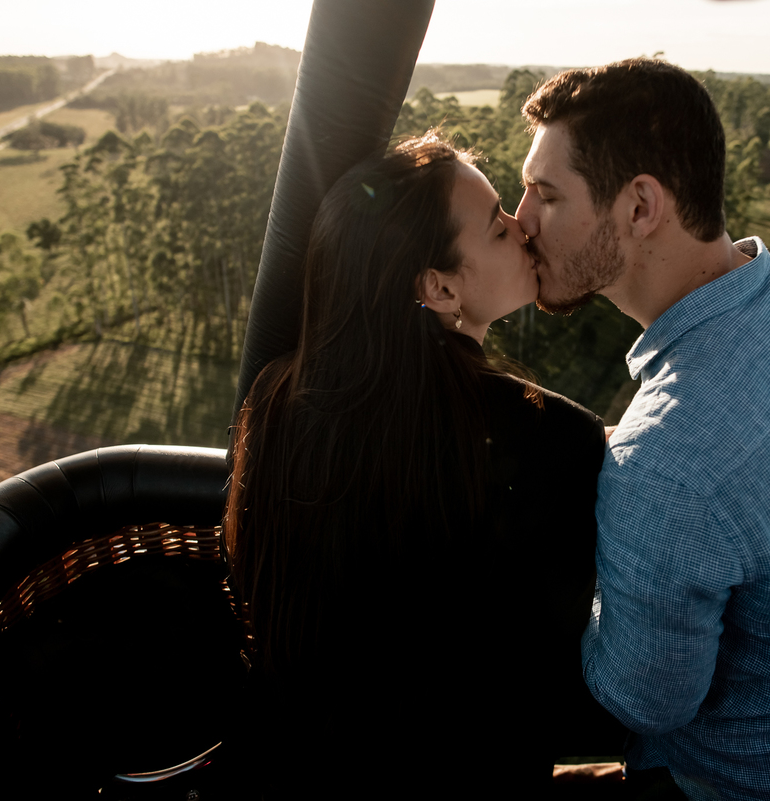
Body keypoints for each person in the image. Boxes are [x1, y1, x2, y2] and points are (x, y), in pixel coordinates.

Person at [515, 59, 770, 801]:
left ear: (640, 206)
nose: (520, 219)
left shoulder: (661, 463)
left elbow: (646, 701)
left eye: (546, 194)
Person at [224, 132, 621, 795]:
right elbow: (562, 686)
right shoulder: (553, 439)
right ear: (438, 287)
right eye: (497, 228)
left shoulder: (276, 400)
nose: (524, 227)